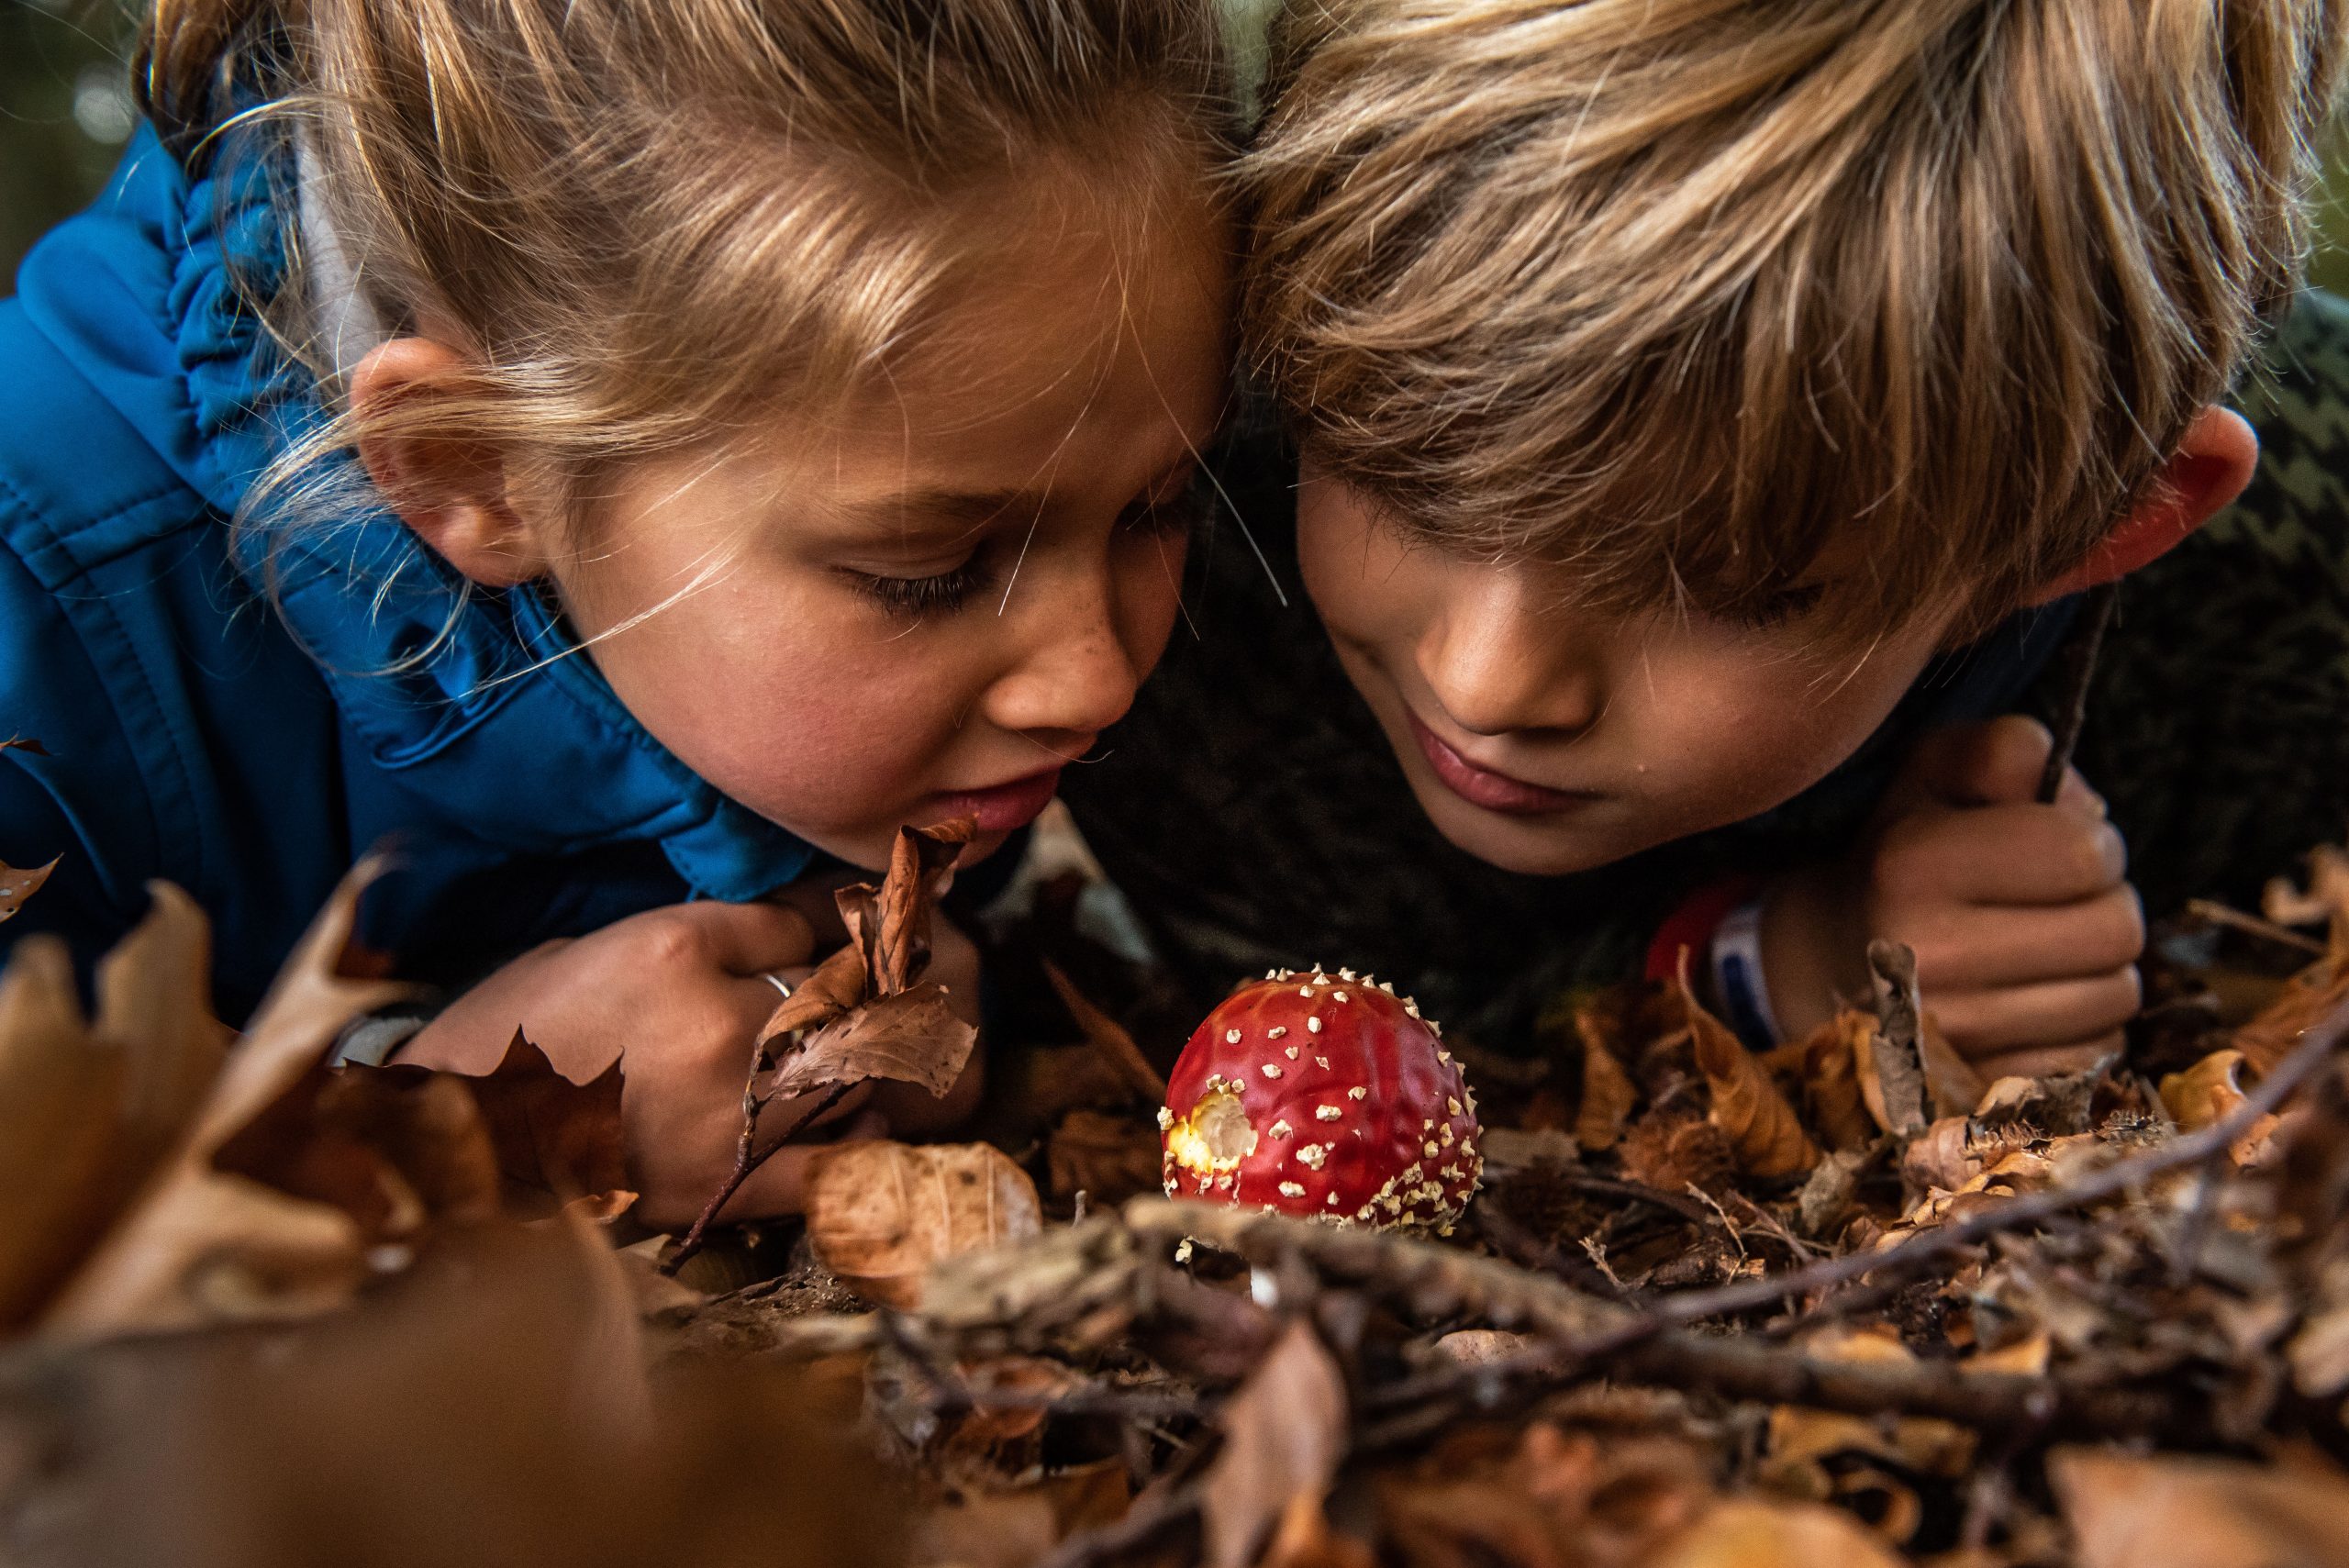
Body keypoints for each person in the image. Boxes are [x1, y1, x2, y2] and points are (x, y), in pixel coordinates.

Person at [0, 0, 1236, 1225]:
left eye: (1161, 505)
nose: (1099, 679)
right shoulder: (42, 613)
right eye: (929, 569)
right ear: (471, 471)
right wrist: (435, 1118)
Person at [1066, 0, 2349, 1080]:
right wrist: (1776, 964)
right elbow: (1301, 985)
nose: (1487, 681)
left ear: (2093, 526)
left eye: (1722, 585)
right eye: (1402, 473)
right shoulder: (1177, 544)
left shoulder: (2303, 588)